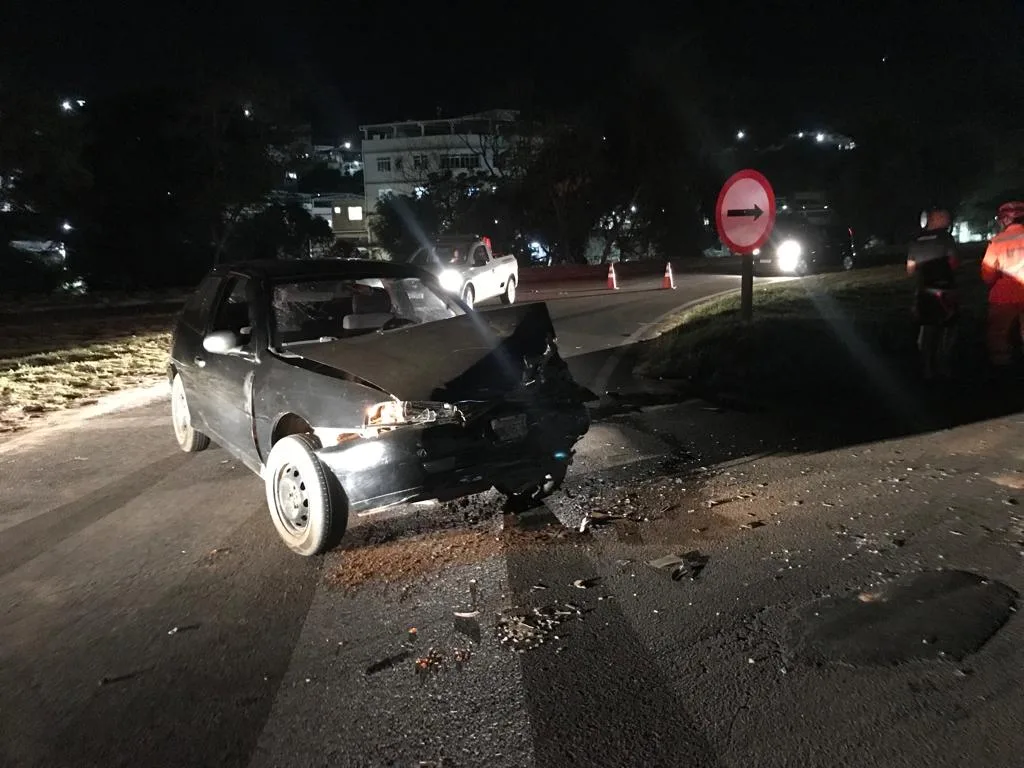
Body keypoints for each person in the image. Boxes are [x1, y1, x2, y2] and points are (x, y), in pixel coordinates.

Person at [907, 208, 959, 379]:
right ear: (935, 220)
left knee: (927, 328)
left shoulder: (916, 241)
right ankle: (943, 365)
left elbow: (910, 269)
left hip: (924, 290)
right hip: (944, 290)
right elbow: (953, 263)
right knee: (948, 328)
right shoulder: (946, 238)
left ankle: (927, 368)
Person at [980, 201, 1024, 370]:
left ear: (1005, 220)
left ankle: (1001, 369)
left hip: (1004, 295)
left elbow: (988, 274)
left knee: (998, 334)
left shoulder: (998, 242)